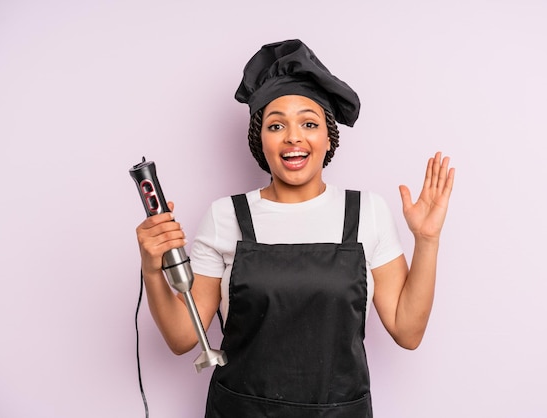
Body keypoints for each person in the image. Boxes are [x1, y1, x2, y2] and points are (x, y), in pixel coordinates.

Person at [135, 39, 455, 418]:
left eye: (308, 122)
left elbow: (408, 331)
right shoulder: (227, 216)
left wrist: (427, 240)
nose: (293, 137)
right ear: (261, 140)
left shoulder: (366, 212)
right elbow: (182, 338)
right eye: (276, 125)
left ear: (327, 137)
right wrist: (153, 269)